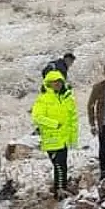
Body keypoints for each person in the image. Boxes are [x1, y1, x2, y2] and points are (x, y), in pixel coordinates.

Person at [31, 70, 79, 199]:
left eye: (59, 82)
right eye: (54, 82)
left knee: (62, 165)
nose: (57, 84)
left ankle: (61, 188)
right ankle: (60, 191)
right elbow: (37, 117)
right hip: (51, 139)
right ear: (49, 83)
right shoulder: (43, 99)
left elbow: (73, 119)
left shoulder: (67, 98)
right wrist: (54, 124)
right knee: (58, 165)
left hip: (64, 139)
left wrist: (73, 138)